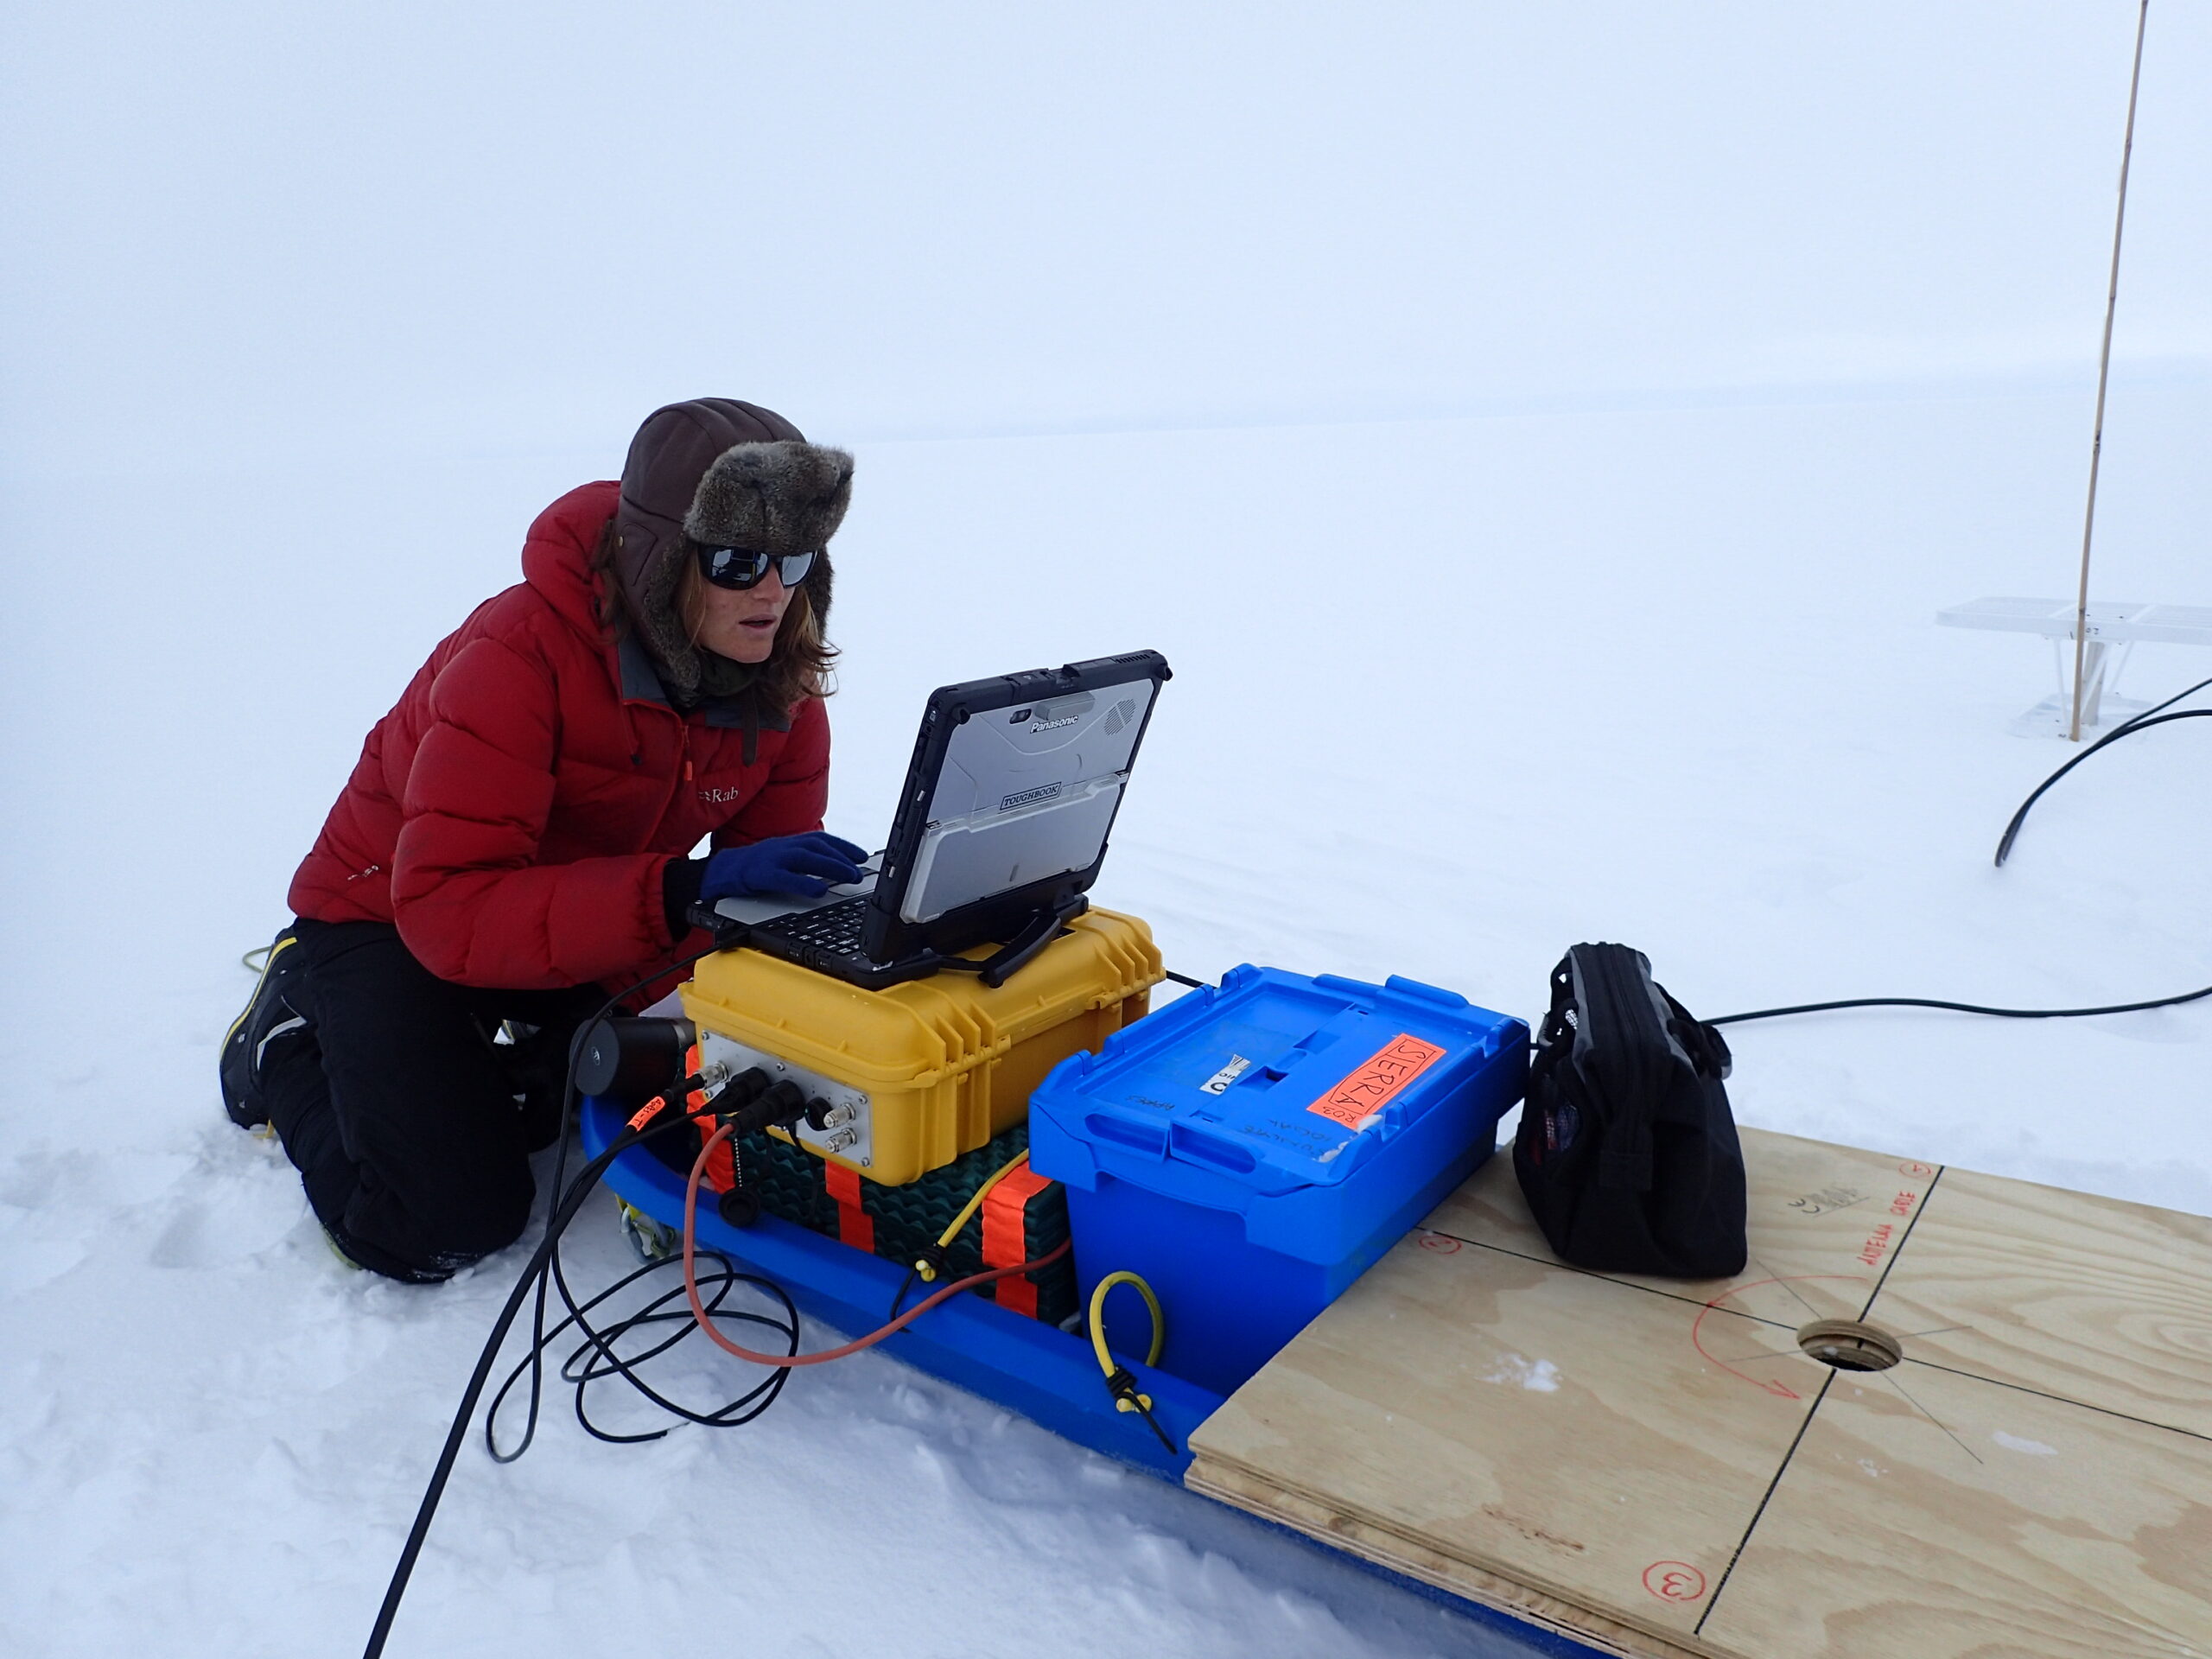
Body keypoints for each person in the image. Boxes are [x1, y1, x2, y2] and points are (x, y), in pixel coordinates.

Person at [219, 398, 868, 1282]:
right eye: (735, 561)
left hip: (582, 921)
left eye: (794, 560)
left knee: (671, 1104)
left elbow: (746, 909)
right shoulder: (518, 655)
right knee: (444, 1221)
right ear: (660, 559)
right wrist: (681, 892)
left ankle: (508, 1072)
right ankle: (290, 1036)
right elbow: (448, 910)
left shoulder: (778, 675)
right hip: (392, 915)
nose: (772, 591)